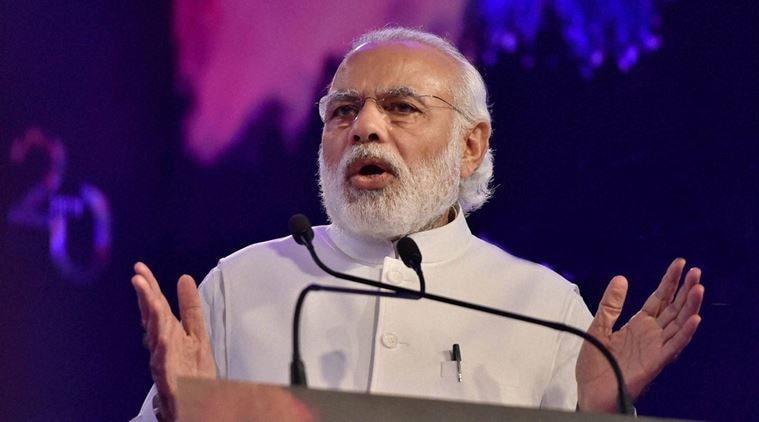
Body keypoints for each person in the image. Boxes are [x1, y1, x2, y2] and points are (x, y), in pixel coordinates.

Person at [131, 27, 704, 421]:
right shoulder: (241, 284)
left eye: (402, 107)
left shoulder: (543, 307)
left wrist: (597, 416)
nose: (365, 128)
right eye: (343, 111)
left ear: (471, 146)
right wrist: (177, 413)